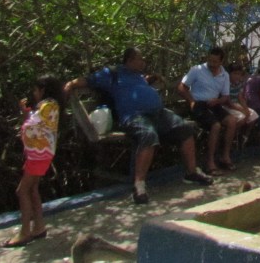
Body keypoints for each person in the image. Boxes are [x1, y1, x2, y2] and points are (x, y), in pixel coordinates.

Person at [65, 47, 213, 205]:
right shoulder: (112, 74)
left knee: (185, 128)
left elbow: (138, 85)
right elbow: (87, 80)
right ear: (130, 60)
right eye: (140, 59)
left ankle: (191, 172)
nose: (143, 62)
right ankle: (139, 185)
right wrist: (70, 85)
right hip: (134, 116)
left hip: (158, 114)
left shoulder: (138, 75)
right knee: (148, 135)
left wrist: (151, 79)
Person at [5, 75, 62, 248]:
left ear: (43, 90)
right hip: (38, 153)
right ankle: (38, 226)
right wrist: (26, 113)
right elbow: (34, 122)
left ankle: (25, 232)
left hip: (39, 154)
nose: (34, 93)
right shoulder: (47, 106)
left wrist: (26, 116)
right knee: (32, 189)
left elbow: (32, 124)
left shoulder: (48, 105)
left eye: (36, 90)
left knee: (22, 191)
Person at [178, 47, 238, 174]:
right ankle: (210, 162)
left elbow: (225, 96)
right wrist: (191, 101)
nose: (212, 64)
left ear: (221, 62)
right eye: (210, 60)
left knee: (232, 121)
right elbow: (182, 87)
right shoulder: (197, 70)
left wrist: (218, 101)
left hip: (214, 104)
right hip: (199, 104)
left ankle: (225, 156)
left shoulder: (224, 75)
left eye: (215, 61)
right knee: (215, 125)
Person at [226, 62, 258, 147]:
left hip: (236, 104)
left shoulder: (239, 83)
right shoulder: (226, 84)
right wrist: (242, 110)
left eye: (239, 74)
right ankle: (232, 136)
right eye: (235, 73)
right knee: (242, 117)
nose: (237, 76)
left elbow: (240, 97)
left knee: (253, 115)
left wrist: (246, 109)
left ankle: (244, 136)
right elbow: (228, 102)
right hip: (228, 106)